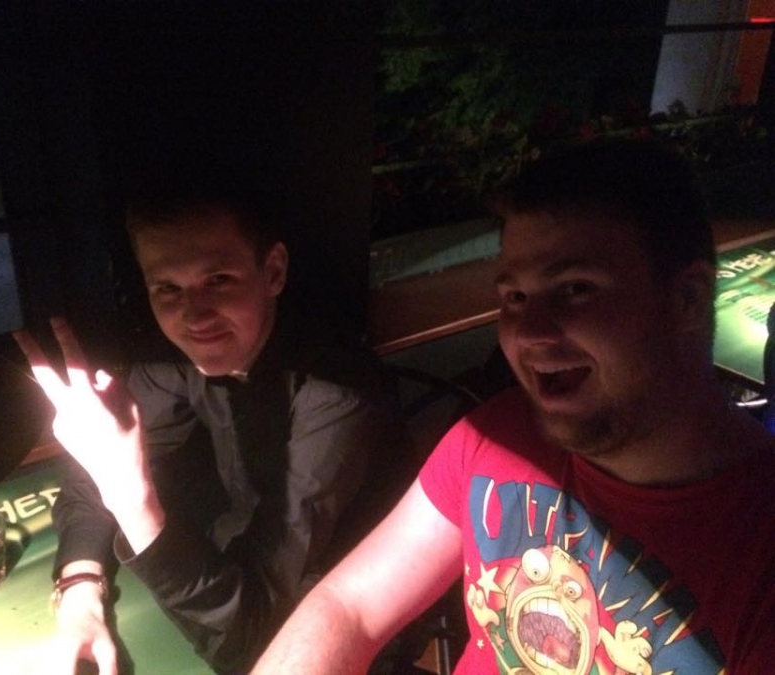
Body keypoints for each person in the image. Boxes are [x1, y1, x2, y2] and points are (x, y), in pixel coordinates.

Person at [250, 137, 775, 674]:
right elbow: (350, 607)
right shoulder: (496, 435)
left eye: (576, 289)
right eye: (515, 297)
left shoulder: (759, 540)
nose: (528, 332)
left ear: (687, 298)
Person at [14, 189, 411, 675]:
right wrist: (80, 591)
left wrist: (133, 499)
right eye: (168, 289)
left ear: (273, 272)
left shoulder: (337, 393)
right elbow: (100, 469)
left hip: (352, 616)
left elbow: (255, 639)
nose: (194, 316)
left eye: (218, 280)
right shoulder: (173, 358)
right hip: (235, 565)